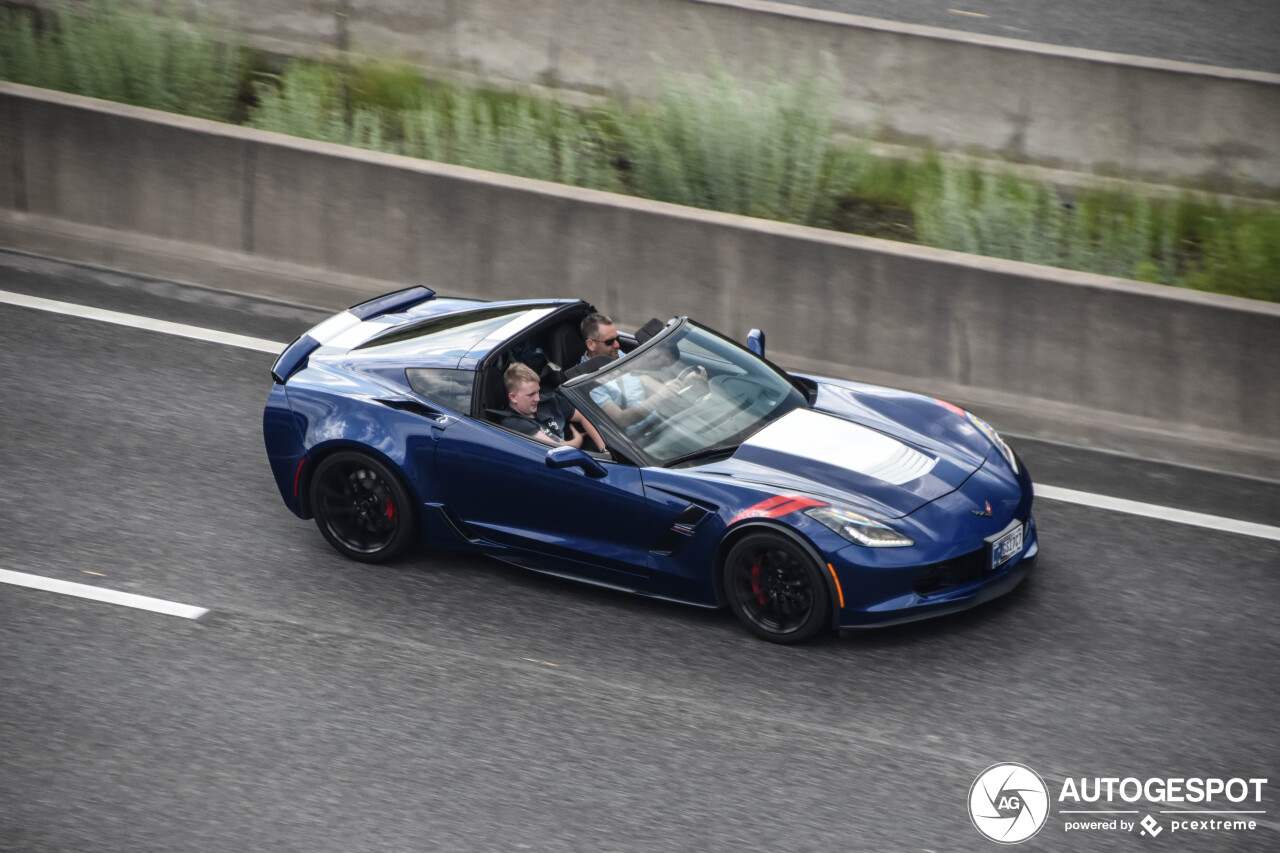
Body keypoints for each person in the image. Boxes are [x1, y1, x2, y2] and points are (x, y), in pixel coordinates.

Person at [578, 312, 705, 431]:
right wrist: (659, 397)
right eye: (610, 342)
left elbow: (648, 382)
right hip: (640, 437)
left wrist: (683, 385)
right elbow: (621, 420)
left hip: (659, 422)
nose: (617, 345)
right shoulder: (588, 381)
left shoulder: (620, 357)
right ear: (591, 345)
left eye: (617, 338)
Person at [501, 362, 607, 452]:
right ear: (513, 397)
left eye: (538, 391)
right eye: (531, 394)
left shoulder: (550, 400)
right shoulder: (513, 423)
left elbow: (584, 416)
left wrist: (604, 449)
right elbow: (557, 449)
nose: (537, 398)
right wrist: (577, 441)